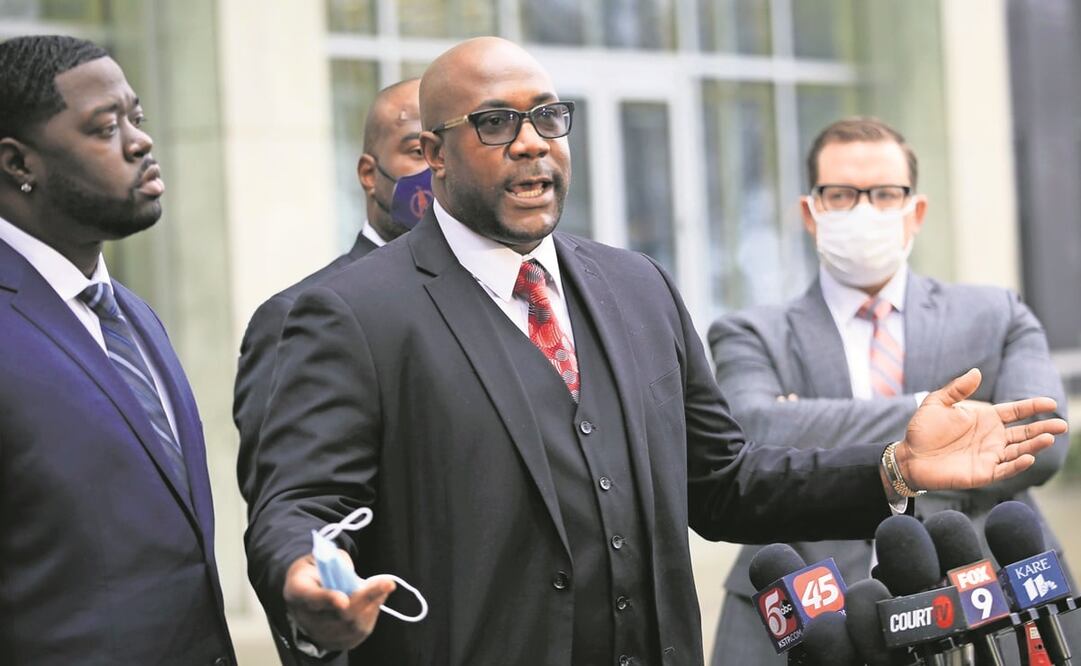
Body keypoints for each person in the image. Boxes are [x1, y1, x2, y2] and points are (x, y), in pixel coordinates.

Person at [243, 38, 1065, 666]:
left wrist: (892, 469)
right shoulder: (352, 312)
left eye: (547, 117)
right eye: (494, 123)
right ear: (433, 153)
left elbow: (722, 483)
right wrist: (304, 580)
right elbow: (300, 505)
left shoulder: (636, 287)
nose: (530, 143)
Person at [707, 116, 1076, 665]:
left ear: (915, 211)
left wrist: (810, 421)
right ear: (811, 212)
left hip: (985, 613)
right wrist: (929, 418)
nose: (863, 211)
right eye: (841, 194)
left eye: (884, 194)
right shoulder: (751, 333)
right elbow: (752, 437)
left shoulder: (995, 314)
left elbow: (1040, 440)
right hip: (810, 623)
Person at [0, 36, 234, 665]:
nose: (140, 142)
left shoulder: (132, 316)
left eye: (137, 117)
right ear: (18, 163)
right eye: (105, 128)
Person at [234, 77, 425, 508]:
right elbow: (287, 504)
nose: (436, 171)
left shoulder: (500, 296)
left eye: (446, 151)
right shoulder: (295, 315)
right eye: (418, 151)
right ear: (369, 174)